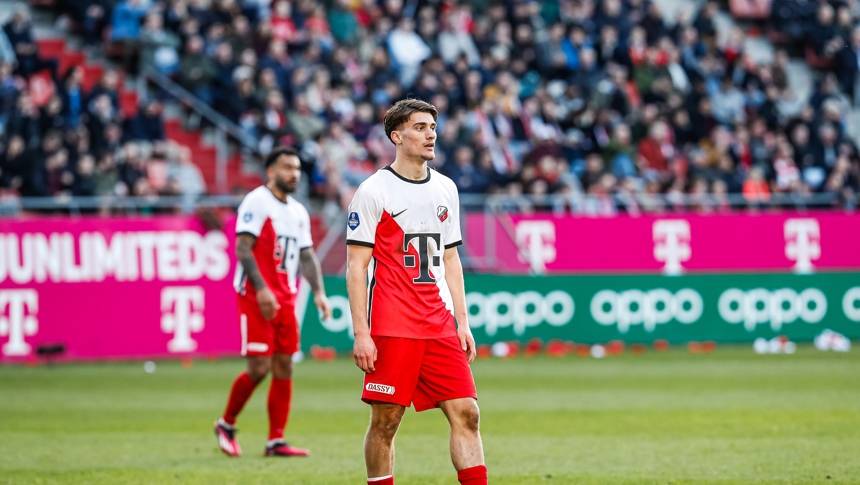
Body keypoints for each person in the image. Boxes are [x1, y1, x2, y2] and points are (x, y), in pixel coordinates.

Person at [345, 99, 487, 485]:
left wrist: (463, 321)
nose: (431, 135)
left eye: (433, 128)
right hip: (393, 326)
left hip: (439, 324)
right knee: (387, 421)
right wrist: (362, 332)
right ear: (397, 135)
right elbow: (356, 266)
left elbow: (451, 259)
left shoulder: (446, 188)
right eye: (421, 127)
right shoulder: (374, 191)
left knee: (468, 413)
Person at [214, 146, 332, 458]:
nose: (293, 173)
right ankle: (226, 424)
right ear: (271, 171)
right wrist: (262, 289)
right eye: (286, 168)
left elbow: (306, 255)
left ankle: (275, 440)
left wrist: (318, 292)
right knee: (259, 367)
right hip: (255, 296)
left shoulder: (297, 211)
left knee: (284, 367)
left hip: (286, 299)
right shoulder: (257, 201)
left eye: (297, 168)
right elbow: (242, 247)